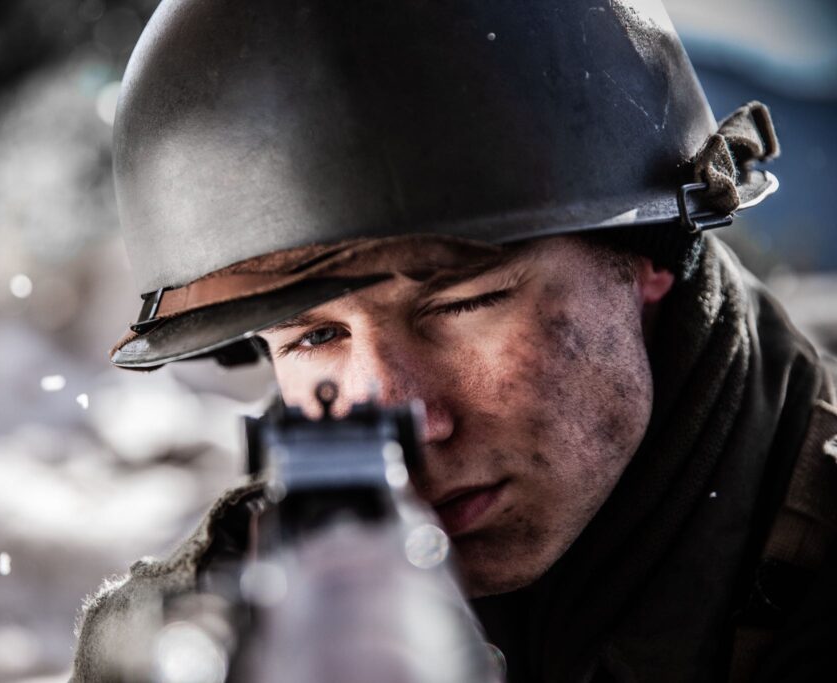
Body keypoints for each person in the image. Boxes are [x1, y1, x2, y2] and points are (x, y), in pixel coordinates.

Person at [71, 1, 837, 681]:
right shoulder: (218, 618)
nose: (408, 420)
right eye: (315, 337)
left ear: (651, 256)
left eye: (465, 303)